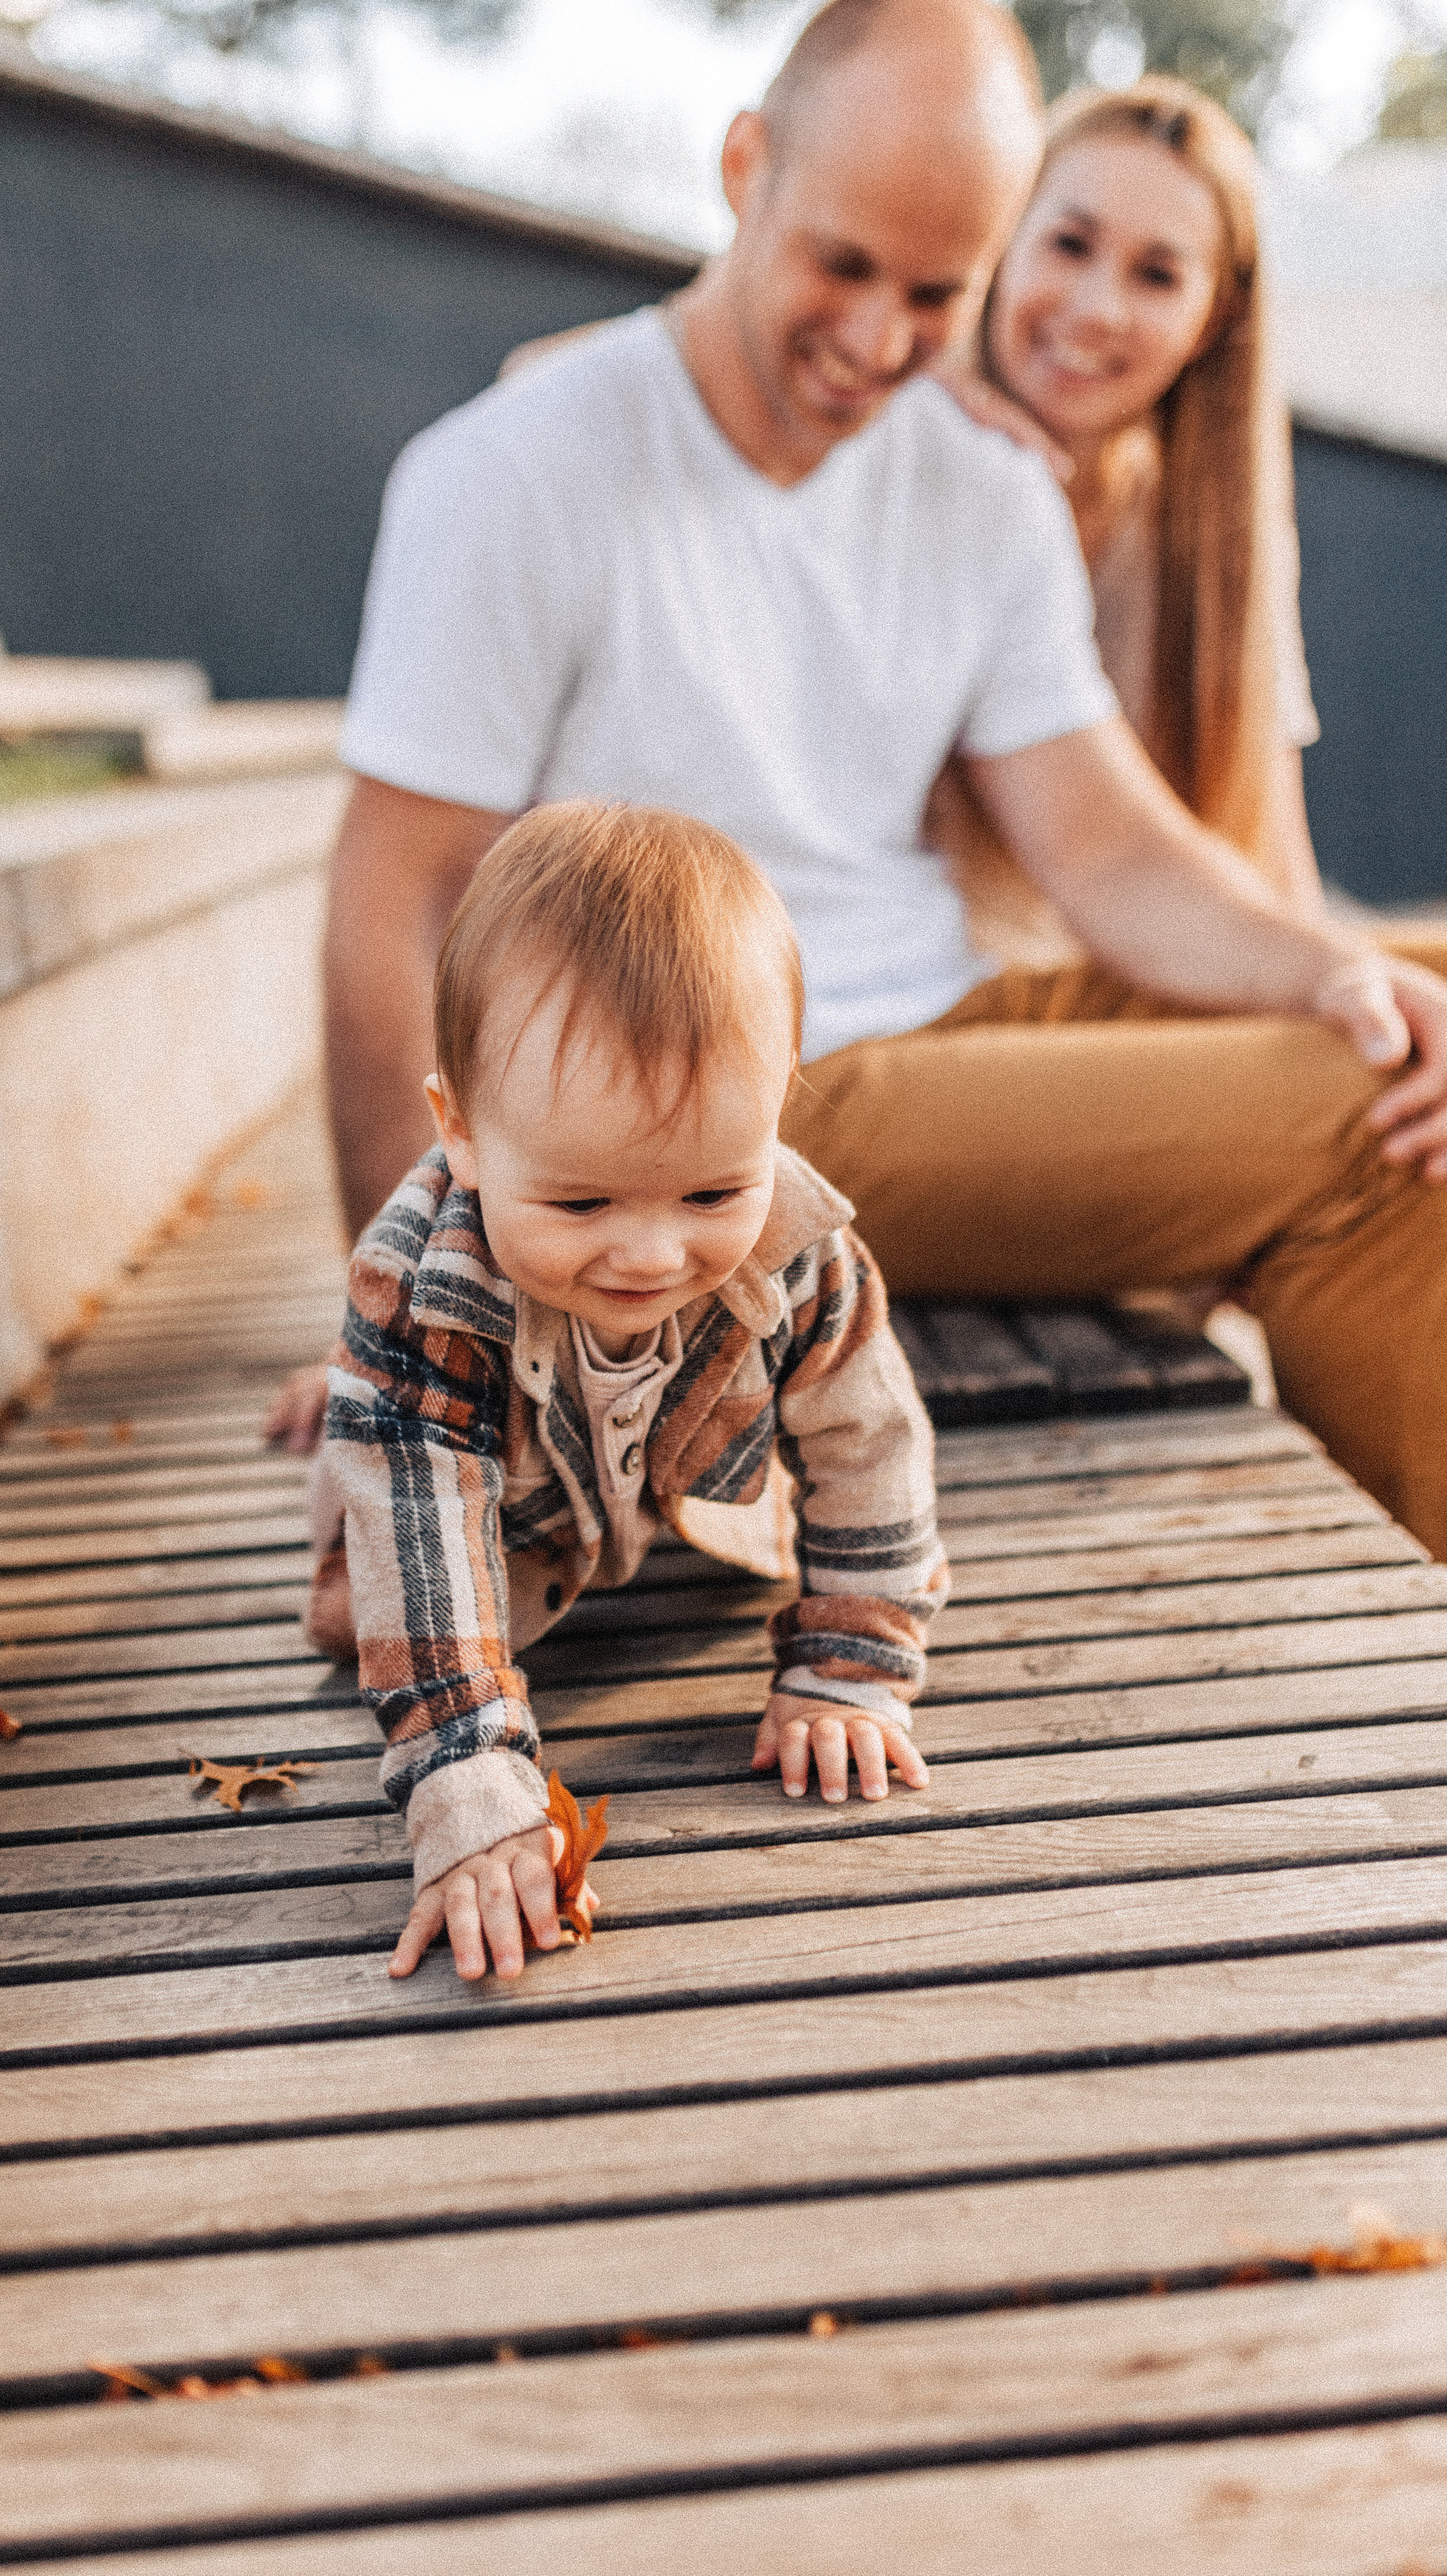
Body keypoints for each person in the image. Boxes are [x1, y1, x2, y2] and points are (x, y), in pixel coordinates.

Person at [290, 0, 1447, 1558]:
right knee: (1370, 1115)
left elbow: (1104, 847)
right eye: (842, 267)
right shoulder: (514, 468)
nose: (880, 340)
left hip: (950, 1023)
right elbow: (395, 898)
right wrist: (396, 1322)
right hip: (721, 1105)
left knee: (1413, 1001)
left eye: (932, 291)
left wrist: (1337, 968)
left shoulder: (978, 483)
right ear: (741, 164)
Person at [311, 802, 946, 1984]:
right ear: (462, 1134)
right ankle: (339, 1409)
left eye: (712, 1193)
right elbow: (424, 1532)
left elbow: (872, 1445)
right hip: (498, 1524)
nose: (652, 1255)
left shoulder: (802, 1251)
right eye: (583, 1205)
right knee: (373, 1491)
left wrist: (851, 1667)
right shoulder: (421, 1295)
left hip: (676, 1494)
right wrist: (468, 1785)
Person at [932, 73, 1327, 965]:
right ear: (1003, 242)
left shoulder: (1215, 550)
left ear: (1212, 319)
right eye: (1069, 245)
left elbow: (1274, 860)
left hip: (1125, 989)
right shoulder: (892, 448)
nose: (1098, 309)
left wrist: (1343, 1007)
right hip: (947, 1003)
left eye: (1157, 275)